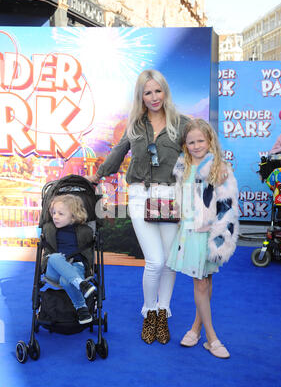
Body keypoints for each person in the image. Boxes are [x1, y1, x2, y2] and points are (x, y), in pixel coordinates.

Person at [87, 69, 228, 345]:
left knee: (170, 262)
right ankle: (149, 311)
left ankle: (163, 312)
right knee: (155, 261)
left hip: (172, 198)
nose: (154, 97)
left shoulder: (182, 123)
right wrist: (99, 174)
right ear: (141, 96)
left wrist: (218, 163)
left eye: (158, 91)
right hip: (141, 196)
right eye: (147, 92)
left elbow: (202, 145)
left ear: (165, 92)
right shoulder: (135, 126)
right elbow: (117, 153)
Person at [167, 119, 239, 358]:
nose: (196, 146)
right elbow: (181, 199)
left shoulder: (219, 167)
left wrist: (219, 237)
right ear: (185, 145)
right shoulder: (182, 167)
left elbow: (227, 207)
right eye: (191, 142)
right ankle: (197, 329)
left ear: (210, 141)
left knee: (203, 282)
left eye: (201, 141)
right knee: (203, 282)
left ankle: (211, 338)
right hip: (189, 234)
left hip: (209, 234)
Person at [41, 194, 96, 325]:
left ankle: (82, 309)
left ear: (73, 216)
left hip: (76, 266)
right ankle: (81, 284)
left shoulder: (85, 231)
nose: (55, 216)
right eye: (53, 212)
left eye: (60, 214)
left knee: (66, 280)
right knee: (54, 257)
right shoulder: (49, 229)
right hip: (53, 269)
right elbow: (48, 255)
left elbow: (87, 254)